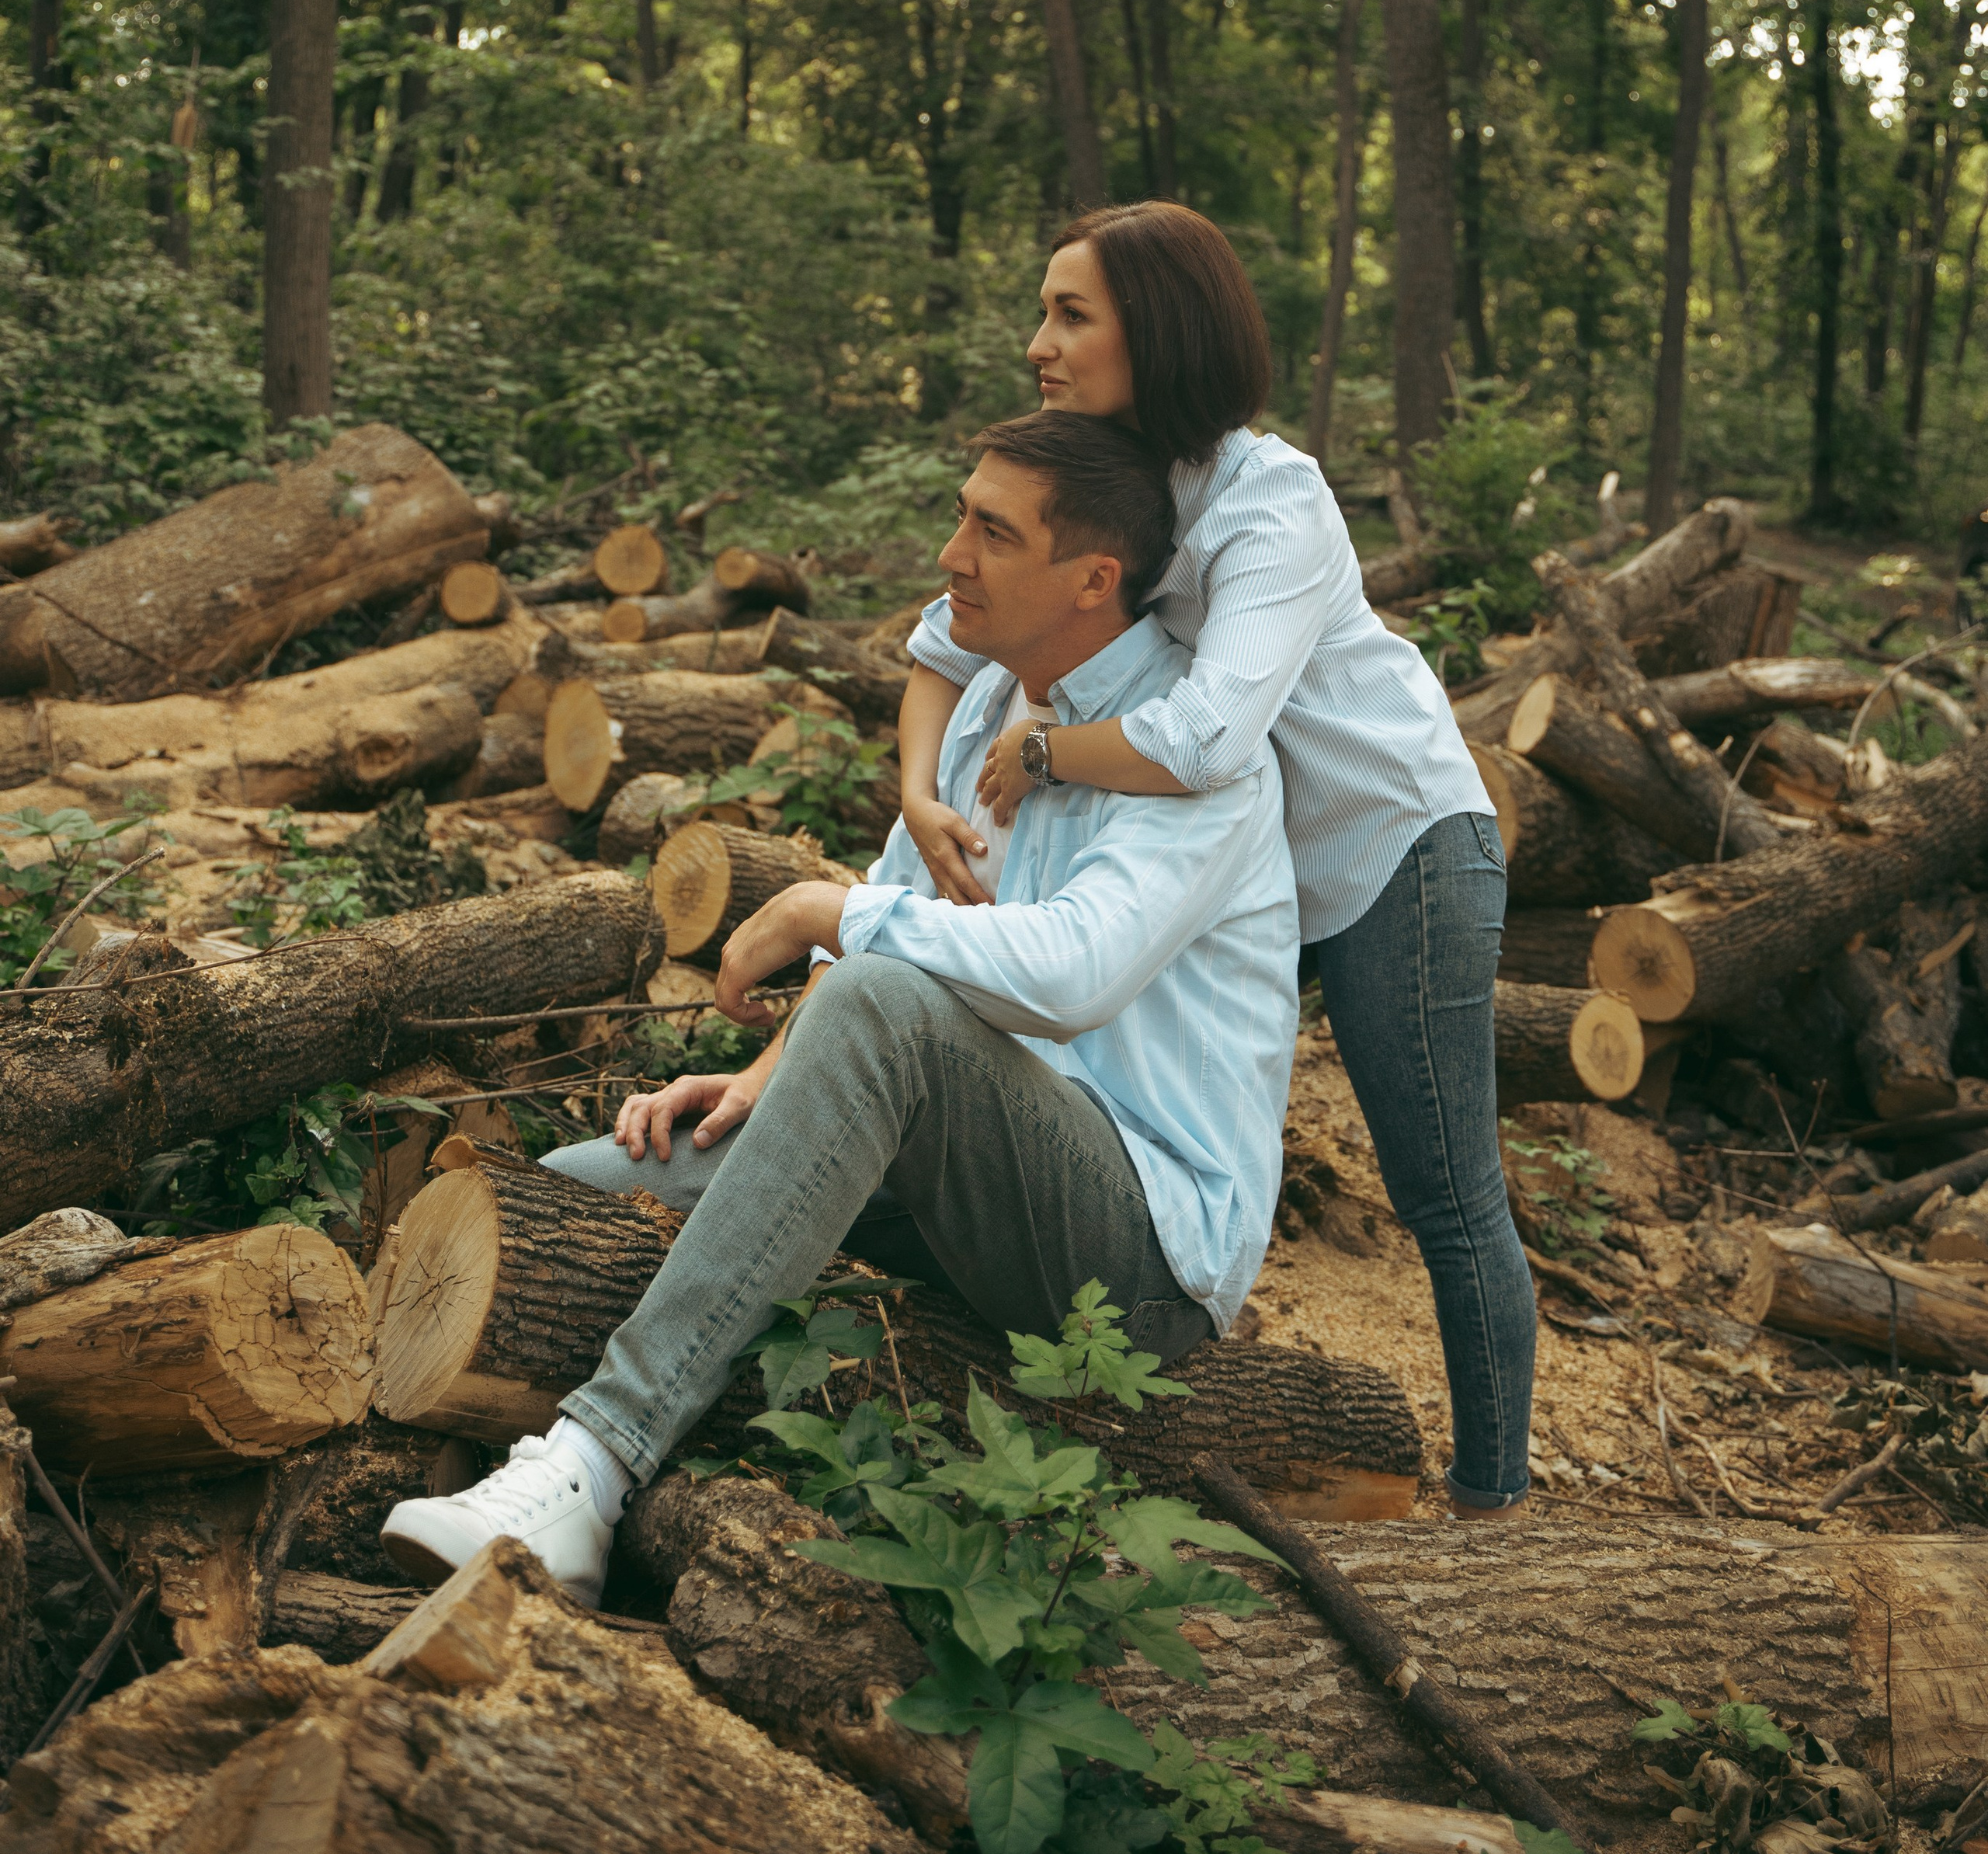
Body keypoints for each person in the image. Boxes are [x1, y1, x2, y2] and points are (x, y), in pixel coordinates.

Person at [381, 410, 1300, 1603]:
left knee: (875, 998)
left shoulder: (1200, 757)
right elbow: (906, 905)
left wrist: (825, 912)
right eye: (961, 516)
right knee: (561, 1197)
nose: (950, 557)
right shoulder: (990, 709)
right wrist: (774, 1081)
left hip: (1135, 1253)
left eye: (990, 532)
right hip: (959, 1172)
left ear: (1092, 579)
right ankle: (433, 1456)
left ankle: (590, 1472)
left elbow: (1069, 980)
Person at [897, 202, 1533, 1516]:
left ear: (1162, 333)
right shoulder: (1095, 469)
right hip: (1243, 859)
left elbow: (1203, 736)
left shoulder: (1271, 501)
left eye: (1072, 315)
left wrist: (1047, 759)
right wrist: (918, 796)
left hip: (1388, 847)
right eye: (1042, 311)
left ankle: (1495, 1505)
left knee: (1442, 1187)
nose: (1039, 344)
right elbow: (940, 645)